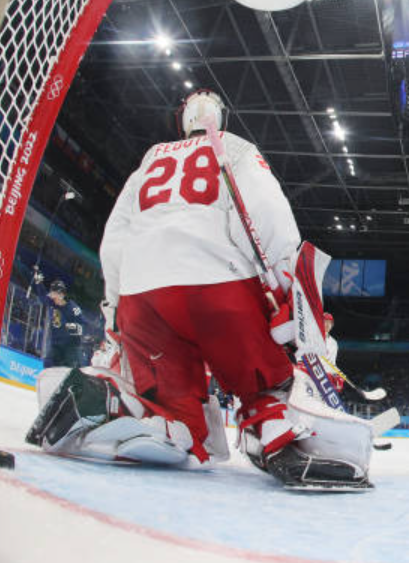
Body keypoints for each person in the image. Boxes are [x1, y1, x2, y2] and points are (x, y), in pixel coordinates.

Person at [27, 89, 376, 490]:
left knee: (176, 413)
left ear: (182, 123)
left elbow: (115, 241)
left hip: (143, 297)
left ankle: (148, 416)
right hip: (216, 286)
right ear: (220, 120)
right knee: (263, 377)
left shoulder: (149, 161)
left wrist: (115, 313)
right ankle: (271, 425)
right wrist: (286, 292)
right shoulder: (233, 147)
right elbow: (269, 213)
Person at [32, 271, 85, 368]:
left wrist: (73, 328)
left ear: (61, 295)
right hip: (56, 344)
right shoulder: (52, 303)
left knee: (67, 369)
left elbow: (82, 325)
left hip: (70, 347)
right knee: (47, 364)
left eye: (53, 293)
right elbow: (43, 296)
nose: (51, 295)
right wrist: (38, 282)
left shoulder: (73, 309)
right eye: (51, 292)